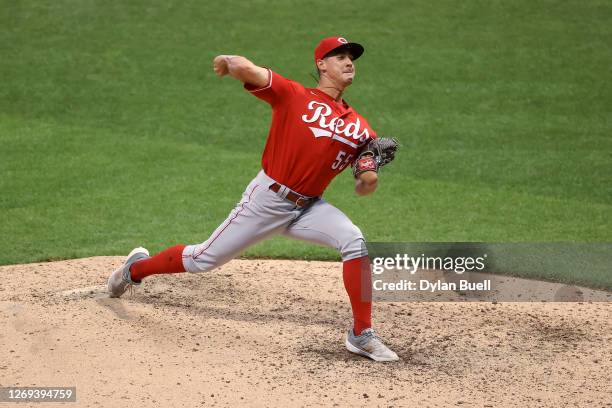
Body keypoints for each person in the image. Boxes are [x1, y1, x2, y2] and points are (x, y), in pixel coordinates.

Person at [107, 36, 399, 362]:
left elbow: (364, 183)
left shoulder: (360, 128)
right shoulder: (295, 96)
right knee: (203, 259)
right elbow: (252, 71)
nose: (349, 63)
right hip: (267, 201)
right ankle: (134, 270)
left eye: (352, 58)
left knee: (354, 240)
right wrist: (231, 63)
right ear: (321, 64)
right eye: (340, 57)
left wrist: (367, 179)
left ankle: (361, 334)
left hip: (308, 207)